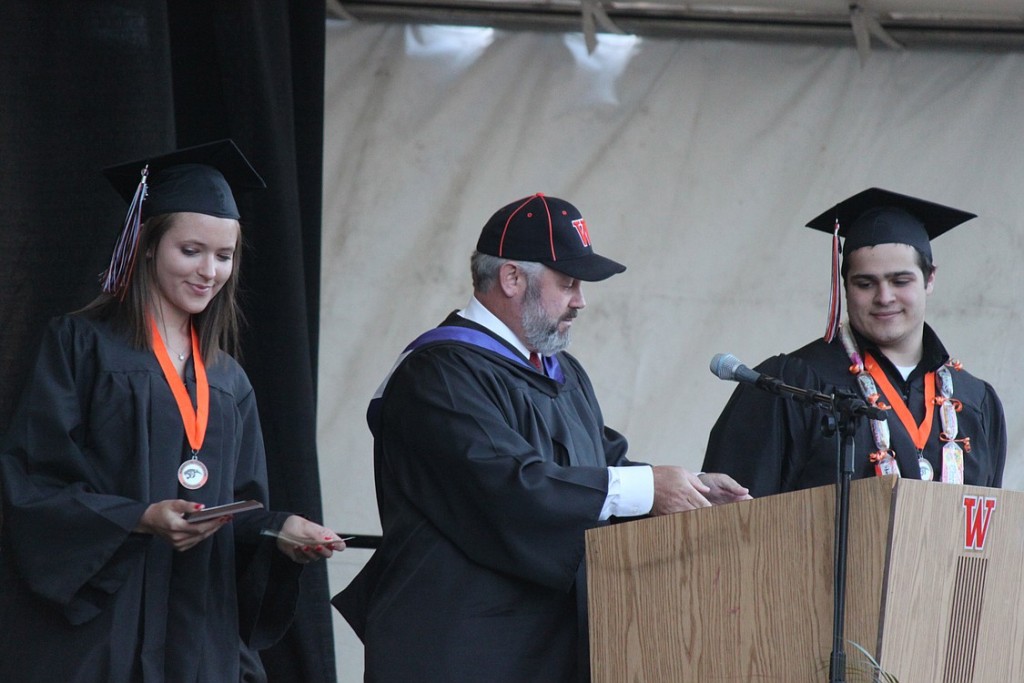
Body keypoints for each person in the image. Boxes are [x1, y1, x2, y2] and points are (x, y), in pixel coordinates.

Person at [331, 192, 750, 682]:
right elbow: (508, 486)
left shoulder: (561, 372)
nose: (581, 301)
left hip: (547, 649)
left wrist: (689, 491)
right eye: (568, 282)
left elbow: (604, 466)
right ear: (512, 278)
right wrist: (648, 490)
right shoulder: (438, 373)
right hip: (459, 653)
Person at [0, 139, 346, 682]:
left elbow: (239, 509)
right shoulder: (81, 347)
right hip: (100, 636)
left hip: (198, 639)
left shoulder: (229, 380)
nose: (209, 271)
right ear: (144, 245)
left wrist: (281, 533)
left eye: (224, 255)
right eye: (191, 251)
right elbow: (31, 484)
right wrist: (138, 518)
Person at [702, 187, 1007, 497]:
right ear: (845, 285)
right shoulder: (790, 386)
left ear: (930, 279)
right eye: (865, 283)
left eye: (900, 281)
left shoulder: (976, 402)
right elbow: (733, 524)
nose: (884, 297)